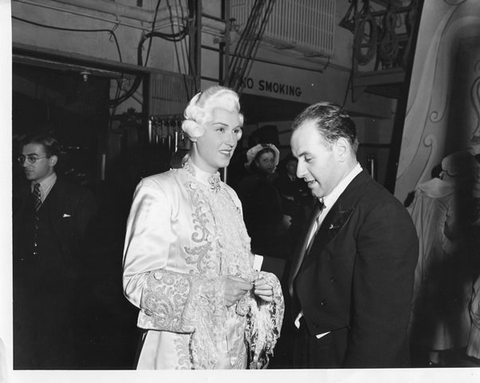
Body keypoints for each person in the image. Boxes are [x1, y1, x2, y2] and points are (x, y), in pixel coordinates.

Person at [122, 86, 284, 370]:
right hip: (180, 353)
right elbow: (136, 282)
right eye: (220, 129)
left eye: (235, 131)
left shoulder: (231, 196)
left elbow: (235, 266)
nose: (231, 140)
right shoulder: (158, 189)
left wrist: (257, 286)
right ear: (195, 130)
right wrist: (211, 292)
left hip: (232, 353)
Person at [288, 101, 419, 368]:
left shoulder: (382, 215)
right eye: (297, 160)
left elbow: (379, 338)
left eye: (307, 158)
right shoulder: (325, 201)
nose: (299, 171)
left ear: (341, 149)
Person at [13, 134, 97, 369]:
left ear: (52, 160)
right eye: (22, 158)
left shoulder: (78, 197)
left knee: (57, 356)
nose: (25, 164)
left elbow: (89, 250)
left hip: (63, 296)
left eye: (32, 158)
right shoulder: (15, 195)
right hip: (23, 293)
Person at [408, 151, 476, 366]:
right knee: (442, 311)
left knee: (419, 305)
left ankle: (425, 359)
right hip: (438, 258)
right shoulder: (452, 195)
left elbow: (409, 218)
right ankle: (435, 361)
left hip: (416, 254)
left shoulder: (421, 190)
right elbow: (449, 235)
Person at [236, 143, 290, 261]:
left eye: (271, 160)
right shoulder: (258, 183)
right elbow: (266, 212)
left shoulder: (265, 181)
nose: (270, 164)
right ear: (257, 163)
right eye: (265, 160)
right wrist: (282, 219)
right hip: (261, 239)